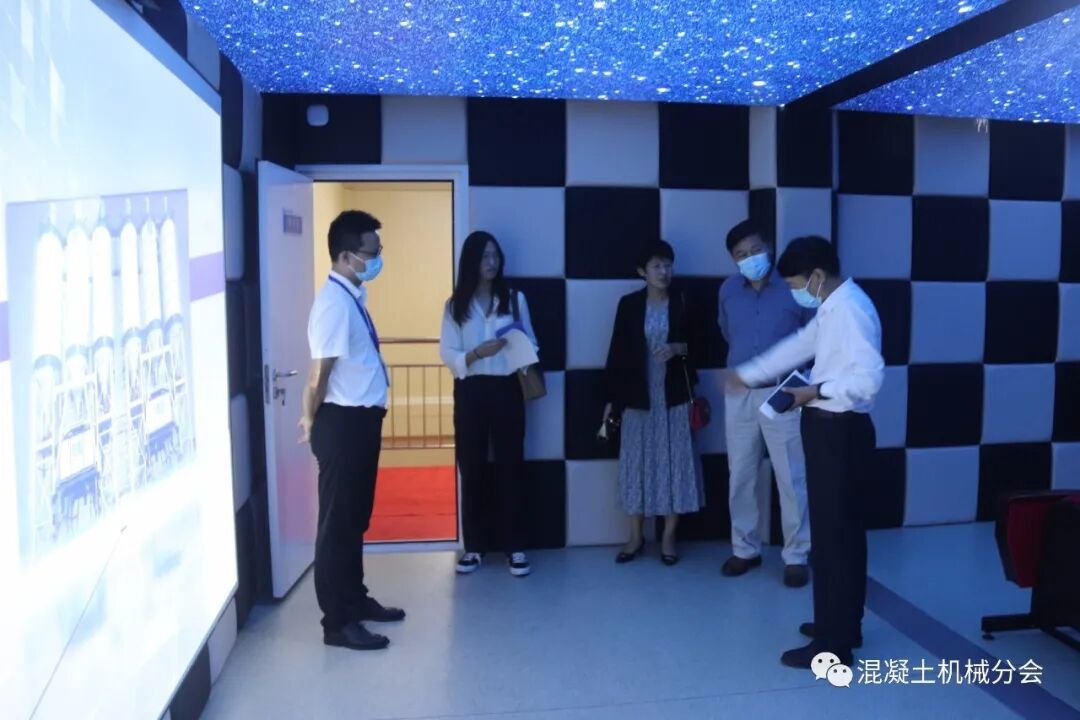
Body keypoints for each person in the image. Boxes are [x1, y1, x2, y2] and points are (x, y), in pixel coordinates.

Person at [728, 235, 884, 669]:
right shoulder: (832, 306)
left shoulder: (851, 309)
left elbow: (869, 380)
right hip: (827, 428)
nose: (797, 293)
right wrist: (749, 374)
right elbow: (799, 345)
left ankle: (834, 644)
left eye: (798, 284)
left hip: (840, 431)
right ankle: (841, 623)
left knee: (835, 539)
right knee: (837, 535)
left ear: (817, 276)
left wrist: (815, 391)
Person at [298, 210, 405, 651]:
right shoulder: (333, 305)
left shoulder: (352, 296)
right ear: (345, 256)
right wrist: (311, 419)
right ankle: (337, 623)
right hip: (342, 424)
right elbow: (317, 375)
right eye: (371, 252)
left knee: (354, 519)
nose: (377, 259)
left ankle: (355, 599)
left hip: (360, 421)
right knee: (337, 526)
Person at [718, 220, 814, 588]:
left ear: (769, 247)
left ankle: (797, 555)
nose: (750, 258)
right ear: (733, 259)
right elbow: (727, 331)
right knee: (740, 474)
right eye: (741, 254)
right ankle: (744, 549)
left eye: (755, 250)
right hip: (740, 391)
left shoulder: (793, 286)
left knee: (791, 476)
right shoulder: (728, 290)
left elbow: (813, 335)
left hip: (783, 392)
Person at [439, 230, 539, 577]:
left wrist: (516, 345)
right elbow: (447, 352)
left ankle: (516, 547)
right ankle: (475, 547)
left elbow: (533, 343)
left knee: (512, 465)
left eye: (495, 255)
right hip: (470, 390)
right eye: (484, 256)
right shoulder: (455, 305)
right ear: (471, 260)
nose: (492, 262)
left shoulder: (514, 298)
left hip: (508, 388)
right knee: (472, 467)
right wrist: (477, 354)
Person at [603, 240, 704, 566]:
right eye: (656, 266)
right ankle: (635, 536)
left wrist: (678, 349)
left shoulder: (683, 300)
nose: (664, 272)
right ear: (641, 272)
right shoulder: (629, 304)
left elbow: (702, 347)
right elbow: (617, 353)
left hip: (674, 396)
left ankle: (669, 536)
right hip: (638, 397)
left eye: (668, 265)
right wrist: (612, 400)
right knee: (636, 465)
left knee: (674, 464)